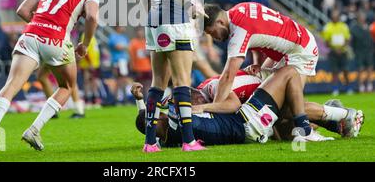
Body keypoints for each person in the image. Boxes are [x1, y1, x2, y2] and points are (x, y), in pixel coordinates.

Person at [0, 0, 99, 156]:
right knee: (67, 86)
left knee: (11, 85)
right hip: (57, 41)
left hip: (31, 36)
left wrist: (40, 26)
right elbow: (93, 18)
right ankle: (34, 130)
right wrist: (84, 45)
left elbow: (22, 10)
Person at [138, 0, 207, 152]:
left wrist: (153, 15)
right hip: (175, 19)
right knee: (181, 81)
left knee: (158, 82)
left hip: (157, 21)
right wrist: (191, 5)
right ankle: (188, 140)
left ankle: (149, 142)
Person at [202, 2, 322, 140]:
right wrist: (257, 63)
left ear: (220, 22)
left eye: (211, 32)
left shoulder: (239, 32)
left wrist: (215, 110)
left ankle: (337, 118)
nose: (213, 37)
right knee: (269, 92)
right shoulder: (240, 8)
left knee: (286, 107)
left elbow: (228, 76)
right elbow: (258, 34)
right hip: (290, 43)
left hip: (300, 50)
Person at [135, 66, 340, 146]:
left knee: (287, 125)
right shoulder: (176, 115)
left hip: (249, 130)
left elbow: (149, 120)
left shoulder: (168, 141)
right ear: (158, 119)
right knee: (289, 73)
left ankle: (331, 123)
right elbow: (160, 100)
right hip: (246, 120)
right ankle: (342, 114)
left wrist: (139, 101)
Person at [322, 9, 352, 95]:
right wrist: (335, 49)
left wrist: (341, 47)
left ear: (338, 17)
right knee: (334, 71)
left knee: (346, 70)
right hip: (333, 52)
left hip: (343, 51)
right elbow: (326, 42)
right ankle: (335, 89)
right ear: (331, 17)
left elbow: (348, 39)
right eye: (333, 16)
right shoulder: (328, 27)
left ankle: (348, 88)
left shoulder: (344, 26)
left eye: (336, 16)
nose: (335, 18)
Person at [350, 12, 373, 93]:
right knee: (360, 68)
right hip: (359, 51)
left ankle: (369, 84)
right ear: (358, 18)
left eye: (363, 17)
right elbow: (352, 41)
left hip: (369, 51)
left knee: (370, 68)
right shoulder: (354, 28)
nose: (362, 18)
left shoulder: (368, 27)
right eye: (361, 17)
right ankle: (361, 86)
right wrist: (354, 50)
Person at [108, 26, 131, 104]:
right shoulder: (113, 36)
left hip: (124, 61)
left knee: (123, 80)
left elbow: (128, 47)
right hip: (117, 61)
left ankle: (123, 98)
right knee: (118, 79)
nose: (124, 28)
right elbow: (118, 47)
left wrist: (123, 47)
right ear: (117, 27)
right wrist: (124, 47)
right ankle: (117, 99)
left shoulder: (124, 37)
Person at [129, 28, 152, 98]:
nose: (140, 33)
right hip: (138, 68)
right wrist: (132, 66)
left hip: (147, 67)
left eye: (141, 31)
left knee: (148, 84)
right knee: (139, 85)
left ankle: (148, 99)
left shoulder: (147, 42)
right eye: (139, 31)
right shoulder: (133, 43)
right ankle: (139, 99)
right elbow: (131, 56)